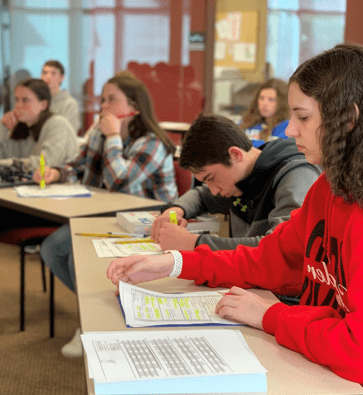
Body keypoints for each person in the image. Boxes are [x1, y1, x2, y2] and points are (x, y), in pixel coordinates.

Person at [107, 44, 363, 383]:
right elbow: (265, 259)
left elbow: (355, 349)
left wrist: (272, 316)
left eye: (302, 117)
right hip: (317, 368)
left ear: (347, 121)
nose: (289, 129)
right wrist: (176, 262)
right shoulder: (327, 189)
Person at [38, 71, 178, 357]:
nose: (102, 106)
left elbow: (119, 181)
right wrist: (56, 172)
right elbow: (78, 166)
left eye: (111, 100)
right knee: (51, 248)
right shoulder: (100, 135)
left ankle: (91, 323)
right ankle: (91, 312)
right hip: (108, 217)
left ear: (134, 108)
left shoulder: (152, 142)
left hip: (146, 223)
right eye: (102, 100)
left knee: (77, 253)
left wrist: (113, 136)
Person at [0, 78, 79, 330]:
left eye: (25, 100)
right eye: (16, 100)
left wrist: (1, 166)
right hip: (28, 203)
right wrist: (0, 123)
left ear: (43, 104)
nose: (18, 105)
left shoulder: (56, 124)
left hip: (57, 208)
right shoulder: (20, 127)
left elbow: (41, 164)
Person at [152, 115, 321, 253]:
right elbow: (201, 196)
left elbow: (280, 248)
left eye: (211, 178)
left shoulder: (296, 175)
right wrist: (175, 210)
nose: (214, 190)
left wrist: (196, 243)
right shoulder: (240, 177)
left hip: (284, 293)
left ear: (235, 154)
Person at [1, 60, 81, 134]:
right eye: (45, 73)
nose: (48, 77)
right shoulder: (34, 101)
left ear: (61, 78)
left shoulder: (69, 104)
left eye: (53, 73)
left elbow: (70, 133)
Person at [240, 78, 289, 147]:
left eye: (271, 99)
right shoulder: (247, 122)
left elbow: (272, 148)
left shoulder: (285, 126)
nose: (264, 103)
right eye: (262, 98)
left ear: (282, 103)